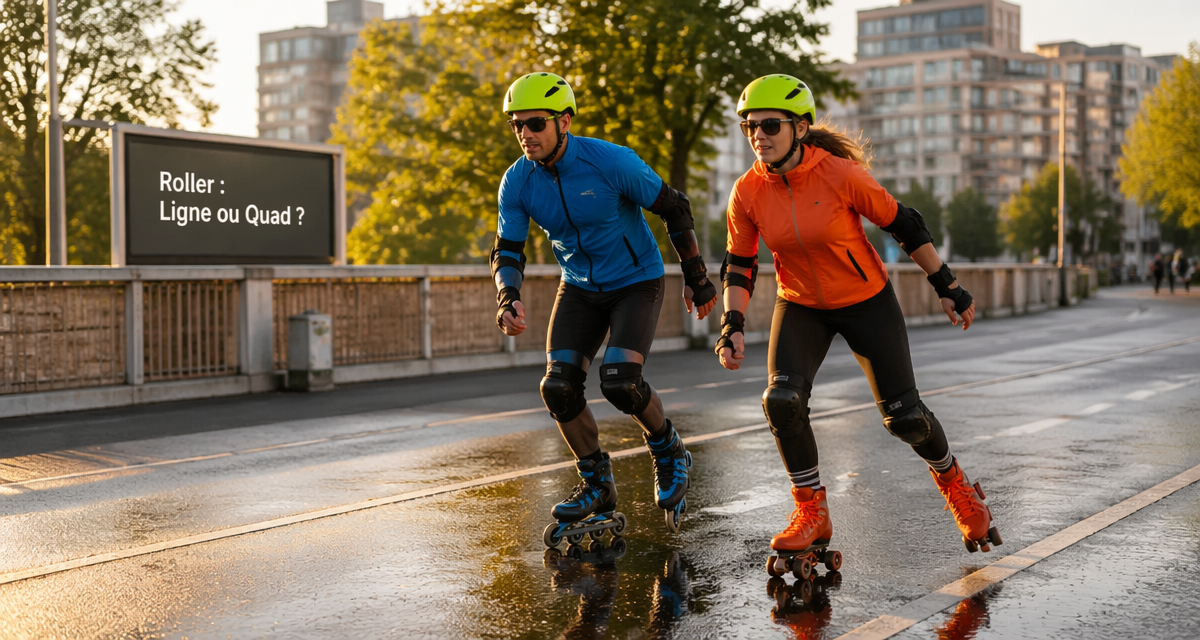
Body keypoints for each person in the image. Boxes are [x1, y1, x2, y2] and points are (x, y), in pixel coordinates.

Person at [714, 74, 1002, 562]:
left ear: (800, 128)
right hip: (801, 302)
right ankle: (811, 510)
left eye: (769, 125)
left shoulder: (840, 175)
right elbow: (740, 263)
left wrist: (947, 285)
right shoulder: (746, 192)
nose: (757, 135)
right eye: (748, 127)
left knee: (905, 418)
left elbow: (903, 223)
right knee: (782, 400)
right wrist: (732, 325)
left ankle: (956, 486)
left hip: (865, 299)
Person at [492, 72, 718, 535]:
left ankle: (669, 448)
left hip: (636, 281)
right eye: (517, 125)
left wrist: (696, 277)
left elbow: (674, 207)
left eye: (535, 123)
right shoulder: (517, 181)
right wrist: (507, 295)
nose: (525, 134)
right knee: (557, 388)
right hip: (577, 286)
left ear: (565, 121)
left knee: (619, 381)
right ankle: (596, 482)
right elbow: (507, 249)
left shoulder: (611, 162)